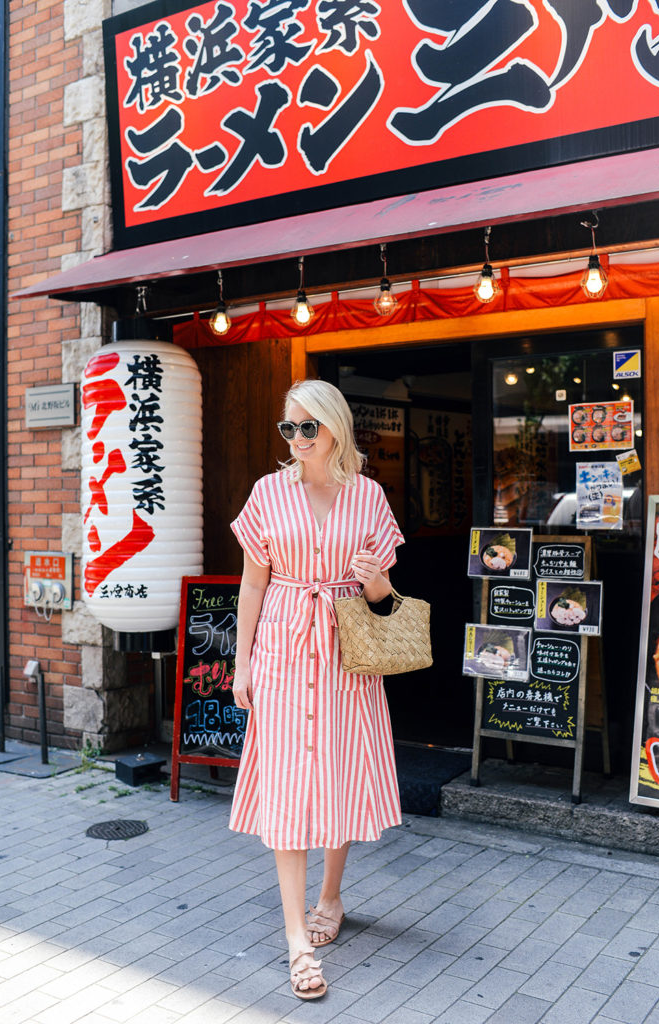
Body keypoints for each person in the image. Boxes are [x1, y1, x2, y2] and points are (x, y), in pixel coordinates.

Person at [230, 379, 404, 1000]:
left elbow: (384, 600)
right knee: (287, 785)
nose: (299, 439)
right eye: (290, 429)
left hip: (343, 651)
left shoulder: (369, 496)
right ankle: (297, 938)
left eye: (310, 427)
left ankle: (331, 895)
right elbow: (252, 586)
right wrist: (242, 663)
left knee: (338, 773)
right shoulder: (268, 493)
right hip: (281, 646)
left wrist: (376, 579)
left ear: (336, 428)